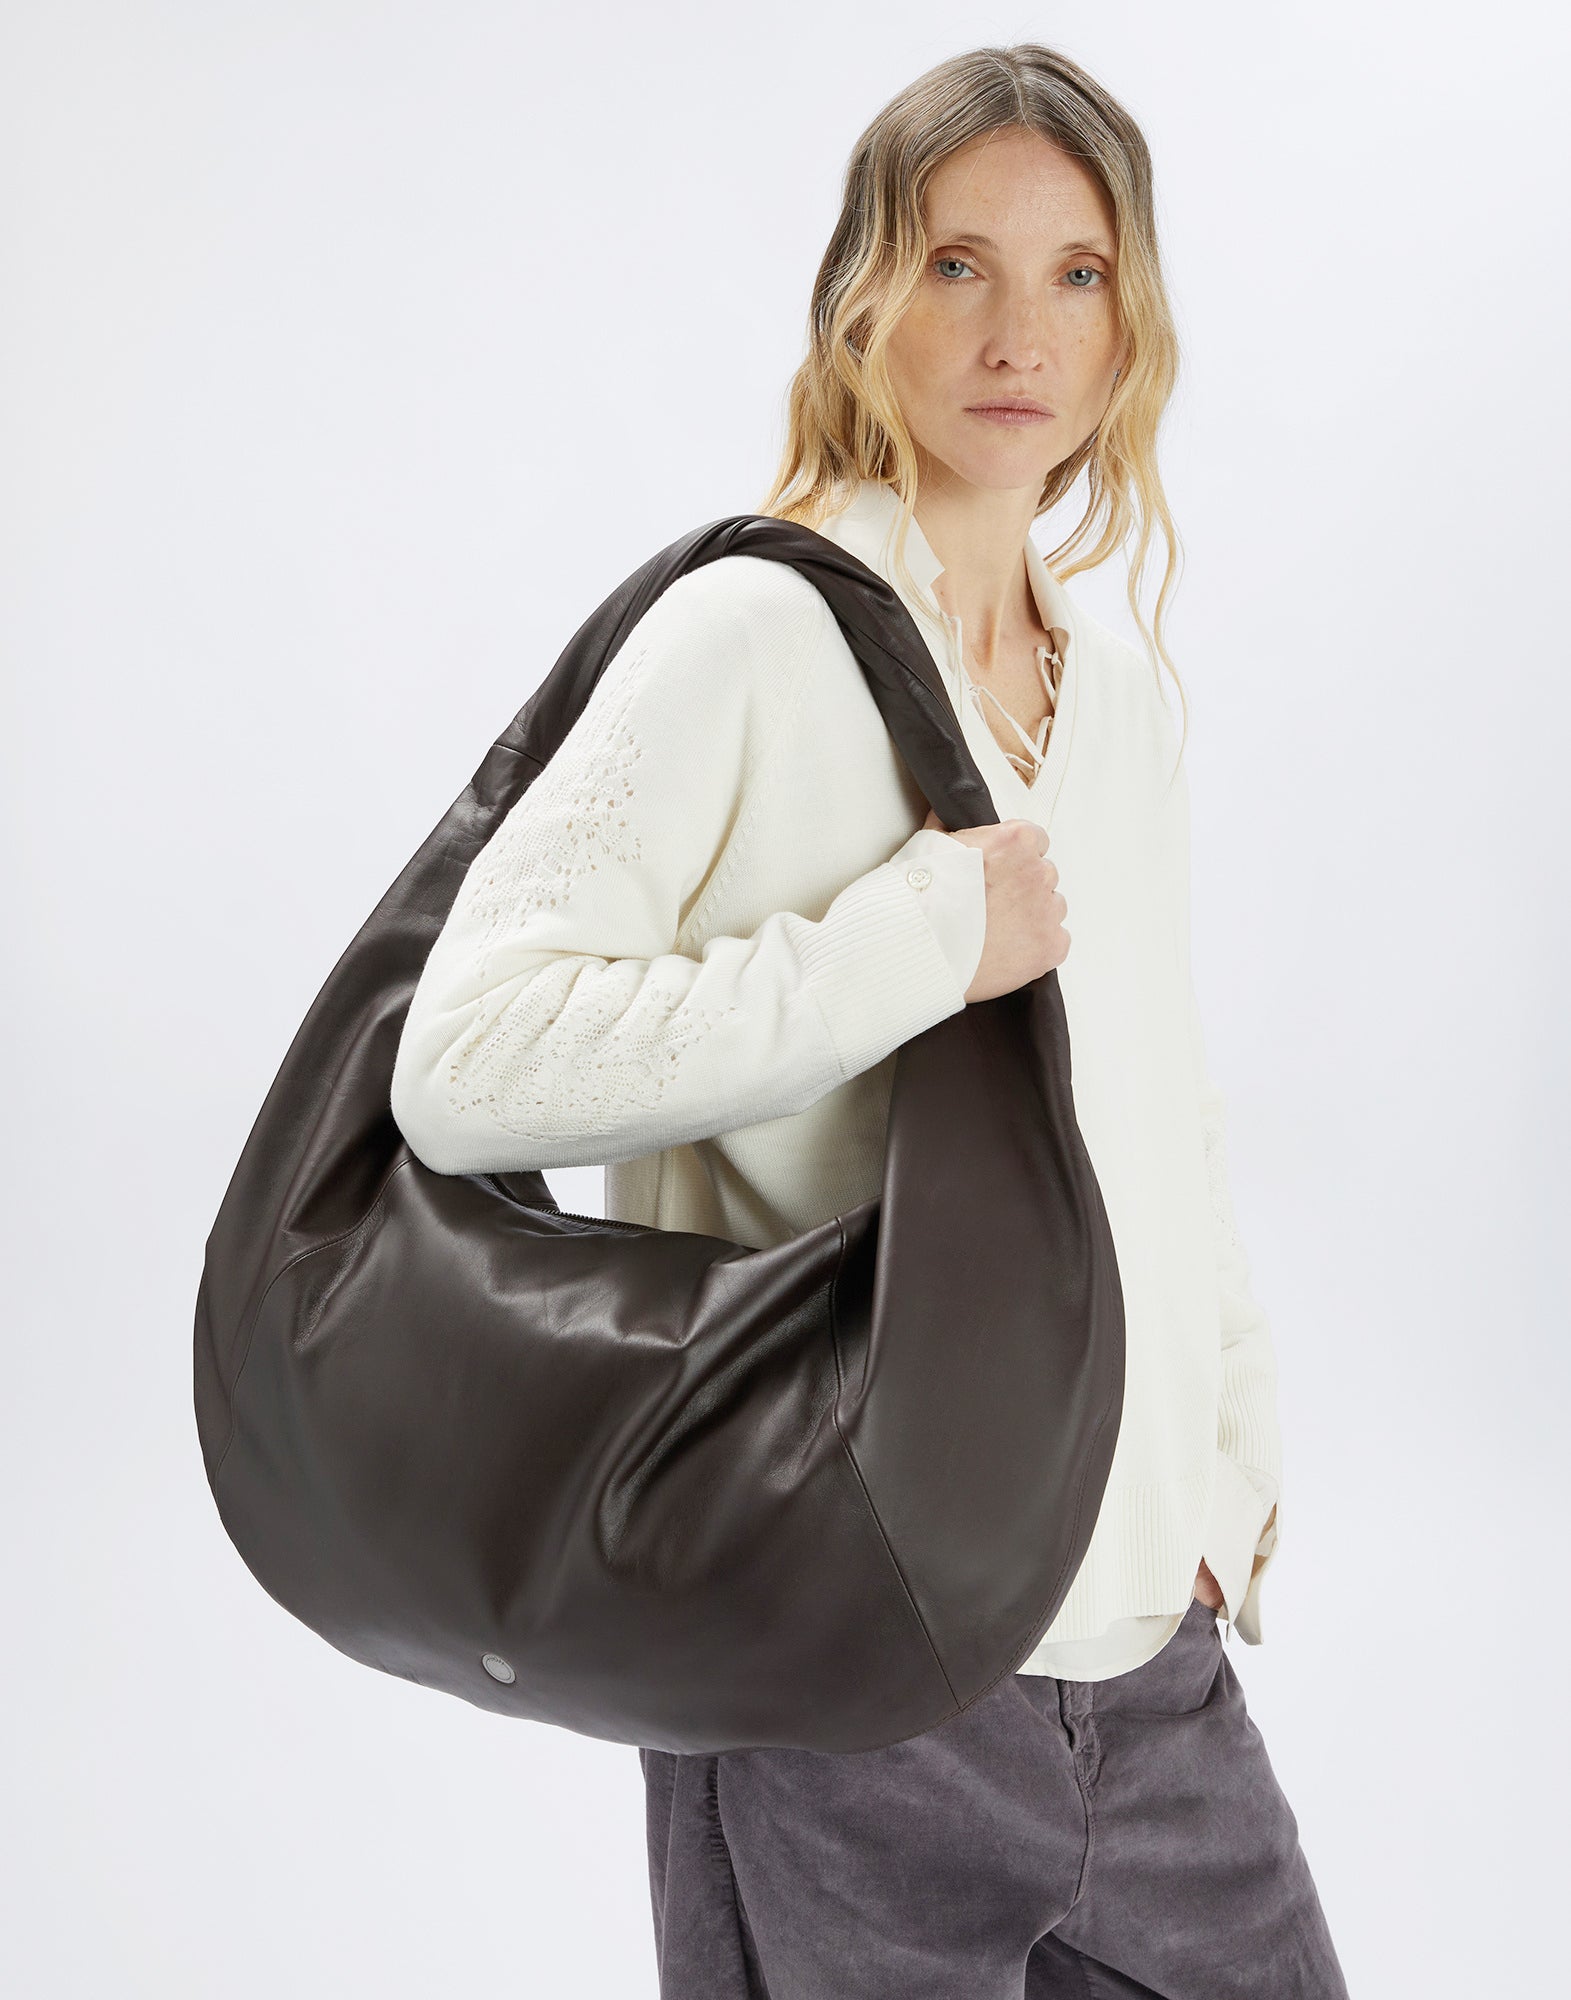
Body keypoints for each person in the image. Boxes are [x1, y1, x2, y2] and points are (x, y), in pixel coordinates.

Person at [390, 40, 1349, 2000]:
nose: (1019, 330)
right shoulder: (756, 635)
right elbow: (465, 1061)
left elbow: (1164, 1122)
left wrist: (1221, 1490)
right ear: (863, 300)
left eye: (1076, 270)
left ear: (1131, 317)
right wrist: (910, 937)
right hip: (847, 1658)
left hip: (1145, 1671)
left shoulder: (1122, 696)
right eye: (956, 264)